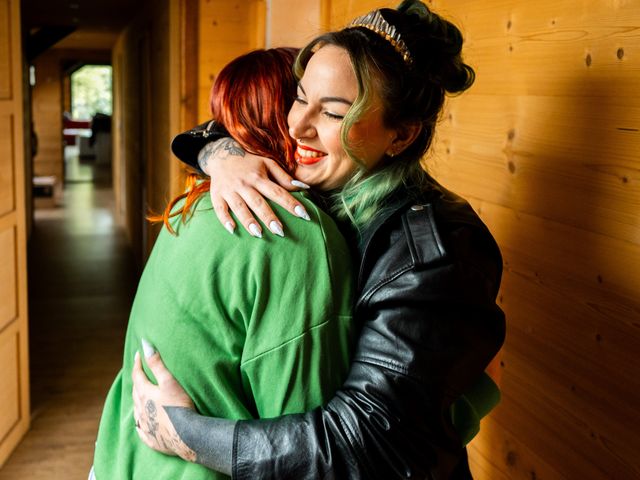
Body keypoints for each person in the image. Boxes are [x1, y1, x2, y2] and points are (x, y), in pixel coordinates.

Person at [133, 1, 505, 478]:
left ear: (401, 135)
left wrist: (189, 435)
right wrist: (221, 155)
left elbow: (368, 440)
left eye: (332, 114)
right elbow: (221, 126)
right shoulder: (323, 179)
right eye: (299, 96)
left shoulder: (436, 252)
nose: (295, 125)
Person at [90, 47, 356, 480]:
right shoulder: (294, 234)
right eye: (302, 101)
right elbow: (303, 450)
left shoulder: (193, 204)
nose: (307, 121)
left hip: (120, 460)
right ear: (287, 114)